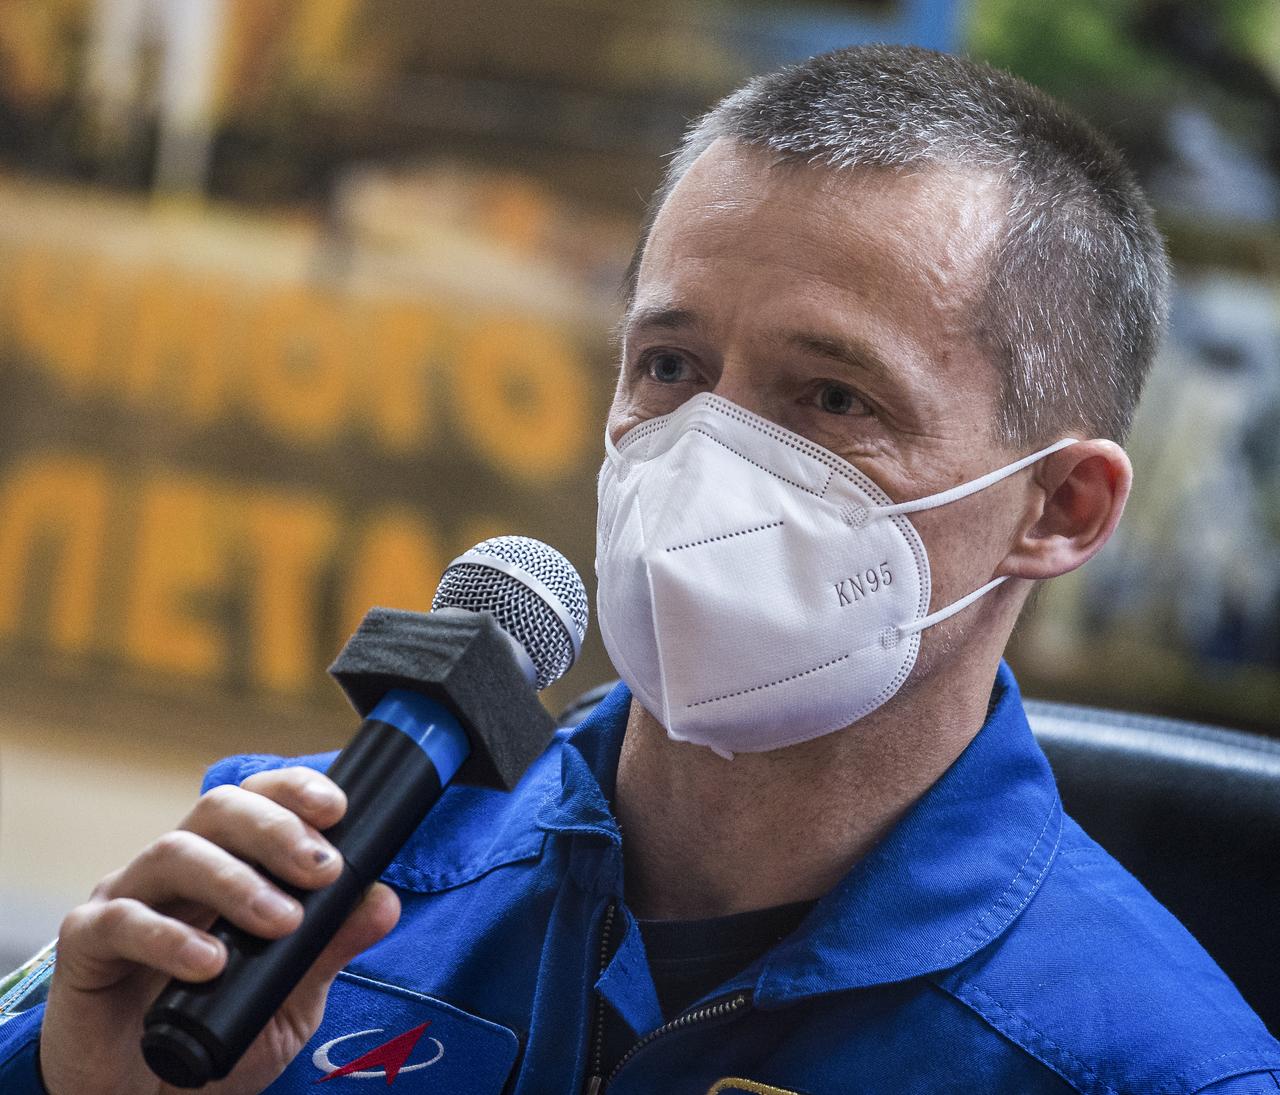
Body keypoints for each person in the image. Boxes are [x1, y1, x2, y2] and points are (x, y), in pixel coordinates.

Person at [3, 43, 1279, 1094]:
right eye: (669, 367)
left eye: (832, 398)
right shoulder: (290, 899)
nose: (708, 459)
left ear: (1056, 508)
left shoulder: (1140, 1068)